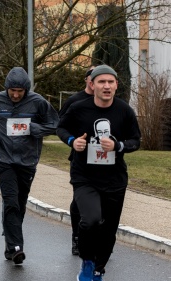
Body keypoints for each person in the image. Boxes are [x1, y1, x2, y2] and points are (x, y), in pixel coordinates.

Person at [56, 64, 141, 281]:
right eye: (101, 82)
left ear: (116, 85)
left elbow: (136, 141)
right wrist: (73, 141)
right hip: (85, 176)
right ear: (92, 85)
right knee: (90, 220)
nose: (106, 86)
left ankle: (98, 270)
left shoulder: (124, 111)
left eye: (110, 82)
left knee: (108, 229)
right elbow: (61, 128)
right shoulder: (78, 108)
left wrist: (118, 145)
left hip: (114, 179)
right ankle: (87, 260)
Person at [0, 67, 59, 265]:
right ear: (6, 88)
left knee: (20, 202)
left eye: (19, 91)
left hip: (28, 160)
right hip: (4, 159)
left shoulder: (38, 102)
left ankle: (9, 239)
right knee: (11, 200)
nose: (15, 94)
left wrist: (35, 128)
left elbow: (55, 124)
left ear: (26, 90)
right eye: (12, 90)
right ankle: (16, 248)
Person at [58, 66, 95, 255]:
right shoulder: (75, 101)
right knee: (80, 200)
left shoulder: (112, 103)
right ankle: (77, 237)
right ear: (88, 80)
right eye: (94, 77)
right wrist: (73, 141)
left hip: (106, 161)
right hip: (80, 159)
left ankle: (98, 239)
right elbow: (61, 126)